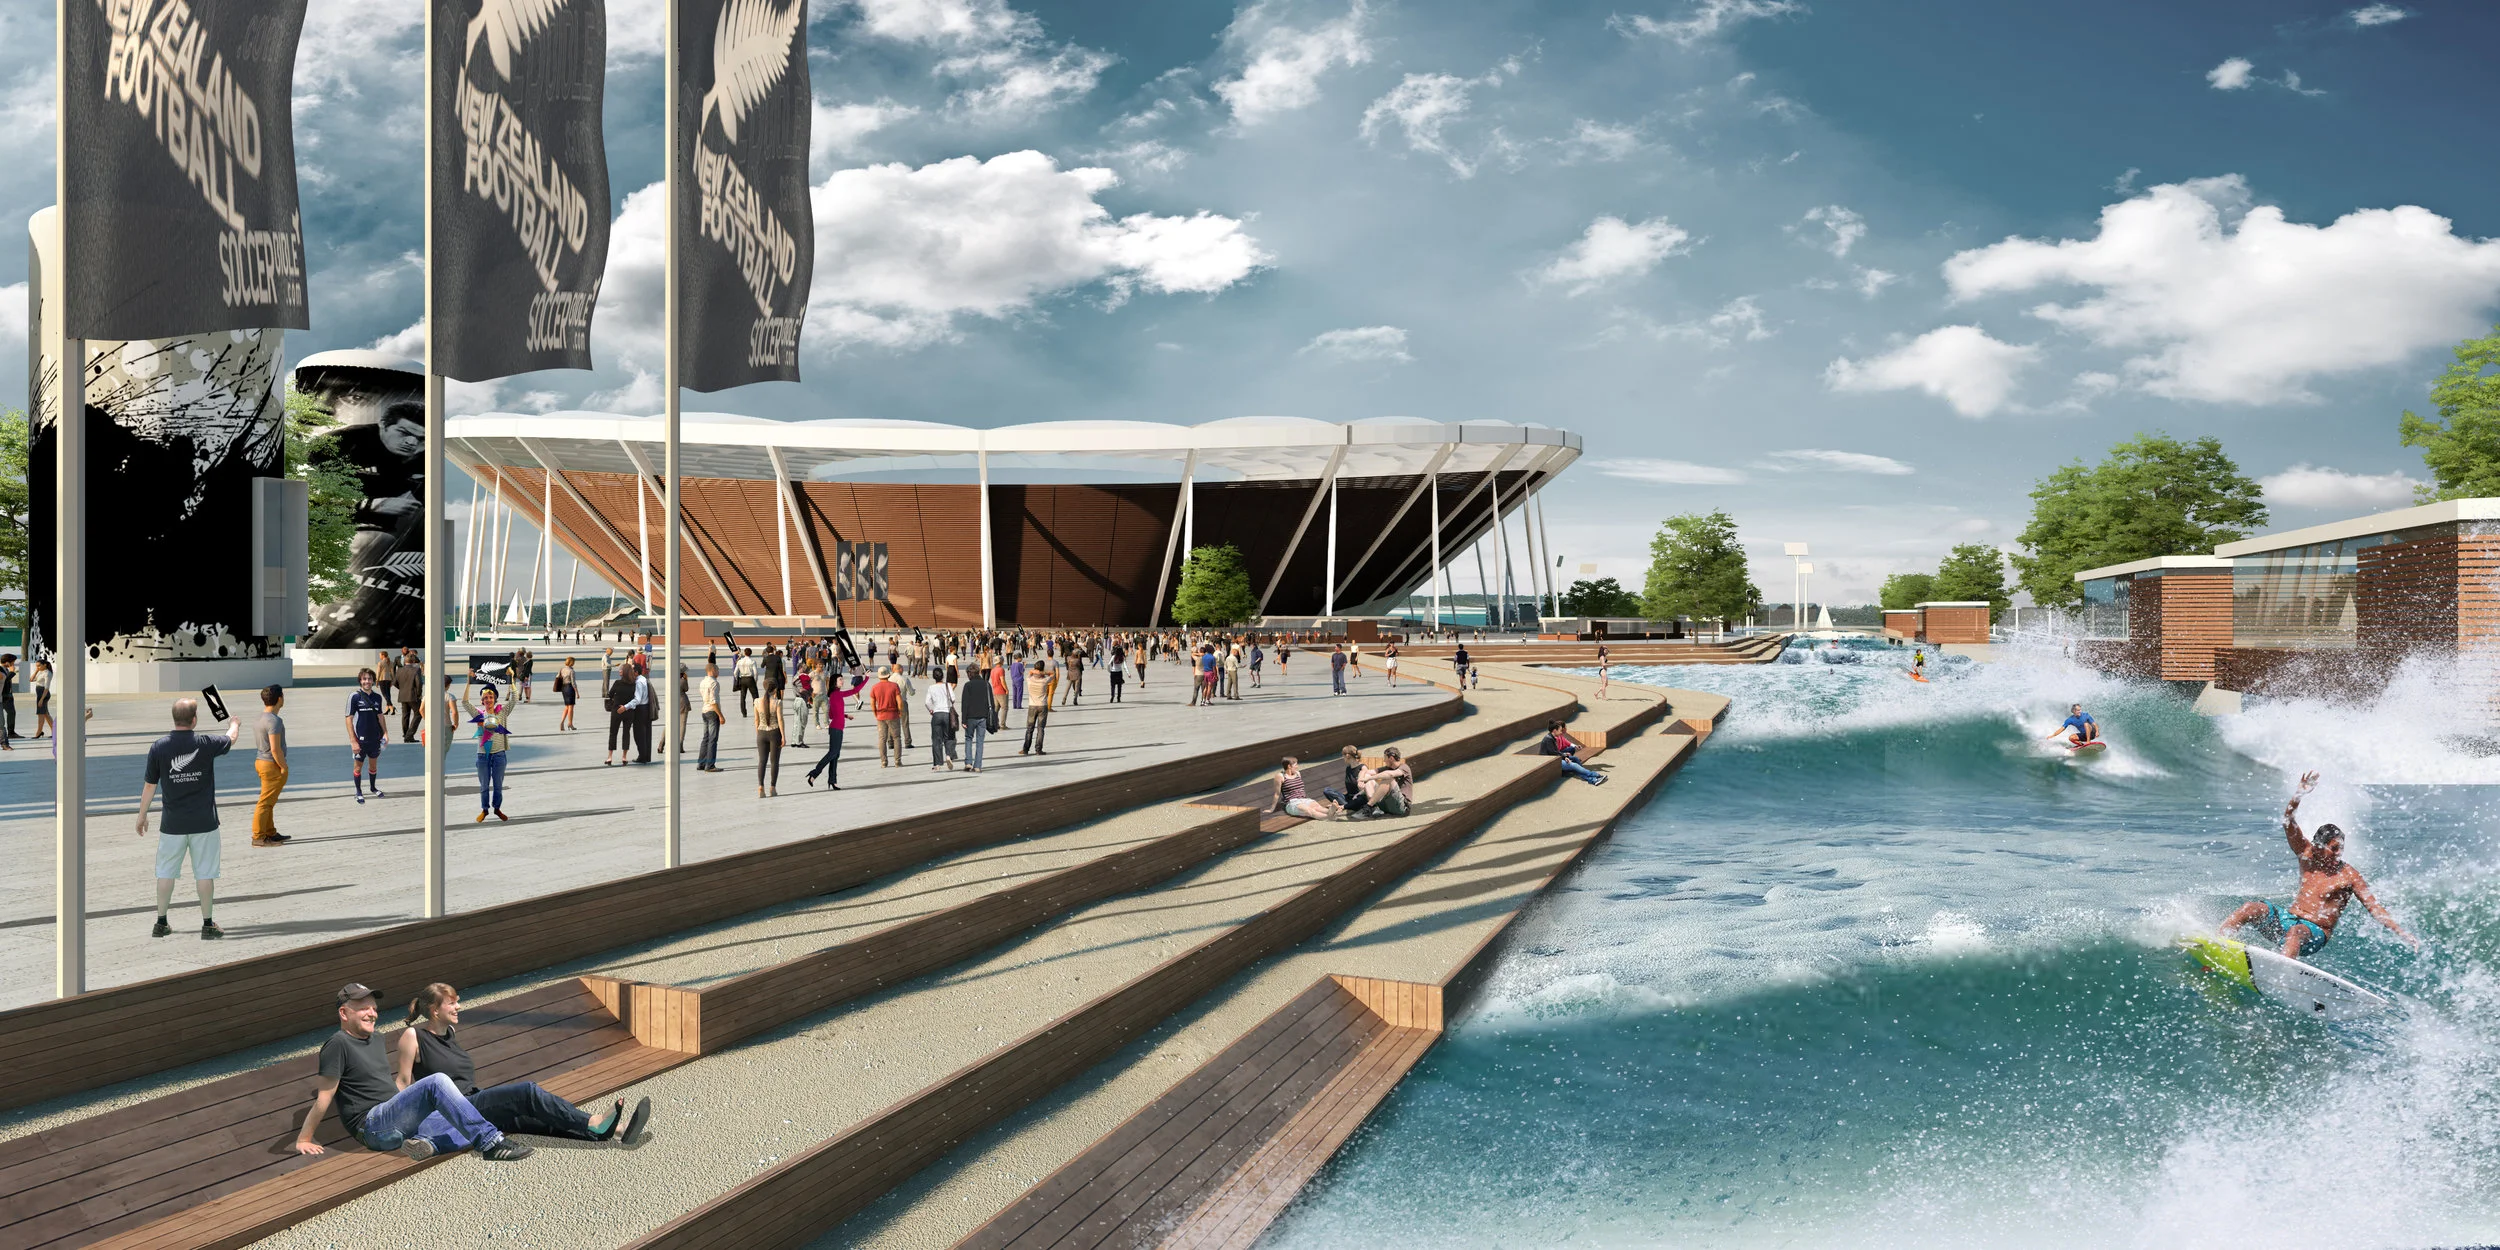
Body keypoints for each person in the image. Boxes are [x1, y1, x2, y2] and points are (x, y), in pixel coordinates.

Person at [293, 983, 532, 1162]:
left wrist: (406, 1106)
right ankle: (491, 1145)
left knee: (471, 1114)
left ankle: (428, 1145)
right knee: (437, 1081)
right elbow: (324, 1097)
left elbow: (389, 1088)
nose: (372, 1014)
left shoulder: (376, 1038)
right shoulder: (337, 1044)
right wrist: (304, 1139)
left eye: (374, 1008)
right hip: (372, 1126)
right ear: (344, 1014)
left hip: (395, 1118)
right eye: (363, 1009)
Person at [397, 983, 651, 1147]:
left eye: (457, 1001)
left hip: (473, 1101)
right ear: (434, 1010)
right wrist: (403, 1126)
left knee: (531, 1117)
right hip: (454, 1109)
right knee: (527, 1092)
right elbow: (403, 1083)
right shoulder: (413, 1037)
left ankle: (616, 1131)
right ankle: (595, 1122)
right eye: (452, 1003)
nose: (458, 1006)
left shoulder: (450, 1033)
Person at [2219, 772, 2419, 962]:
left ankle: (2281, 970)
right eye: (2334, 848)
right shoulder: (2306, 855)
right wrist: (2299, 795)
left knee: (2295, 932)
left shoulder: (2349, 876)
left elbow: (2374, 908)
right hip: (2288, 920)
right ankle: (2219, 944)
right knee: (2250, 908)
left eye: (2341, 848)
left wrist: (2401, 932)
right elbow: (2288, 821)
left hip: (2314, 934)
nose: (2339, 853)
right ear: (2319, 847)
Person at [137, 696, 244, 938]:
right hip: (204, 823)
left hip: (172, 824)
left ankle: (161, 922)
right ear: (194, 720)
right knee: (205, 873)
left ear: (174, 718)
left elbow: (150, 785)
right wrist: (234, 723)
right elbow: (231, 738)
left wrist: (142, 815)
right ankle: (208, 924)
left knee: (166, 871)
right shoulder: (205, 743)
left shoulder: (159, 747)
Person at [460, 675, 518, 821]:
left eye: (491, 697)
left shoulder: (502, 713)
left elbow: (514, 699)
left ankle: (497, 808)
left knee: (498, 785)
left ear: (495, 699)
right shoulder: (479, 715)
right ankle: (484, 810)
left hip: (499, 755)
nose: (488, 700)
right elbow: (465, 702)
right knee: (484, 785)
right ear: (482, 701)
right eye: (485, 698)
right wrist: (468, 682)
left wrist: (511, 679)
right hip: (483, 756)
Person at [803, 670, 871, 790]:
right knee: (833, 753)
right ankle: (814, 773)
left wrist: (845, 716)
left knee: (835, 755)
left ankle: (832, 781)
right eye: (840, 679)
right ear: (835, 682)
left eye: (842, 679)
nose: (842, 681)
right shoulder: (836, 694)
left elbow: (831, 715)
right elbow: (855, 690)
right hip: (836, 729)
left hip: (836, 727)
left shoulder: (834, 695)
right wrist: (866, 678)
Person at [250, 685, 293, 847]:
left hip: (260, 761)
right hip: (271, 764)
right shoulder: (274, 721)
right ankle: (258, 837)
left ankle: (270, 832)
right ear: (279, 699)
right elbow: (275, 749)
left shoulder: (259, 718)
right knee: (265, 802)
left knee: (268, 801)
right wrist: (283, 767)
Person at [346, 669, 388, 803]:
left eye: (369, 679)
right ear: (360, 681)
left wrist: (385, 733)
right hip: (360, 740)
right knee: (358, 767)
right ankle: (358, 791)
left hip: (375, 739)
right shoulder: (354, 697)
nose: (367, 681)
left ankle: (373, 787)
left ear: (373, 681)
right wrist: (353, 741)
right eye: (364, 679)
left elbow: (380, 716)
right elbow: (348, 719)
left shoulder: (377, 697)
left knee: (373, 766)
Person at [1269, 757, 1341, 821]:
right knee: (1310, 811)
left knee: (1318, 807)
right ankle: (1329, 816)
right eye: (1295, 765)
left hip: (1304, 799)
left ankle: (1331, 811)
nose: (1297, 766)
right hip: (1292, 803)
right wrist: (1272, 809)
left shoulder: (1297, 773)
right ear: (1289, 766)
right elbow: (1277, 794)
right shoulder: (1280, 776)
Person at [1544, 720, 1607, 785]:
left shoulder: (1552, 737)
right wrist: (1564, 755)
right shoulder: (1549, 739)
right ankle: (1594, 776)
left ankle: (1593, 779)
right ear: (1555, 730)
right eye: (1560, 730)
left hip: (1556, 759)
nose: (1561, 732)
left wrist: (1565, 756)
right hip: (1553, 762)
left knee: (1575, 765)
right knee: (1574, 766)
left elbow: (1556, 751)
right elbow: (1553, 753)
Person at [1359, 746, 1415, 817]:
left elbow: (1390, 774)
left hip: (1402, 807)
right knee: (1367, 776)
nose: (1384, 760)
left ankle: (1369, 806)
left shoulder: (1404, 767)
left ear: (1391, 758)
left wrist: (1369, 778)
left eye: (1385, 758)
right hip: (1388, 805)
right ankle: (1374, 807)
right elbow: (1367, 772)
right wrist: (1360, 780)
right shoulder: (1388, 768)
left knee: (1388, 778)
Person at [960, 662, 994, 772]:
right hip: (983, 717)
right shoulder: (986, 684)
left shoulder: (968, 685)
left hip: (970, 717)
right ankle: (978, 765)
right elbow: (991, 702)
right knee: (980, 741)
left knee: (968, 738)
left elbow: (965, 703)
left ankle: (968, 762)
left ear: (970, 674)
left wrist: (963, 720)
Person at [754, 676, 785, 797]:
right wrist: (783, 736)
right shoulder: (777, 702)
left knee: (762, 761)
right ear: (775, 689)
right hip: (774, 732)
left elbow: (756, 720)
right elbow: (780, 720)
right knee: (774, 762)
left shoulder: (757, 701)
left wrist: (758, 734)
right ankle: (772, 787)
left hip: (761, 732)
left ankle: (760, 787)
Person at [605, 660, 639, 766]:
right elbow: (636, 698)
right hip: (629, 711)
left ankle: (610, 757)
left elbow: (610, 694)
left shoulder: (617, 683)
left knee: (613, 733)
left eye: (621, 670)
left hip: (617, 710)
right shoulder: (634, 684)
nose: (619, 671)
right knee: (626, 733)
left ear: (624, 672)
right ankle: (624, 757)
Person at [871, 667, 906, 767]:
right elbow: (899, 702)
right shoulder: (894, 686)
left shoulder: (874, 687)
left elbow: (872, 703)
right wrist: (900, 712)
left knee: (882, 739)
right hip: (893, 715)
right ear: (888, 675)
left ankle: (884, 762)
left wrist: (875, 713)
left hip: (881, 716)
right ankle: (897, 761)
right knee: (896, 738)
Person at [927, 665, 960, 770]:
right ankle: (948, 755)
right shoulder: (948, 686)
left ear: (934, 677)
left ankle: (937, 764)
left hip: (936, 714)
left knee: (936, 739)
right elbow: (953, 699)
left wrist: (931, 710)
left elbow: (927, 702)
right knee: (949, 736)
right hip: (947, 713)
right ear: (942, 676)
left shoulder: (931, 688)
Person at [697, 661, 725, 772]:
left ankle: (701, 763)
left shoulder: (702, 682)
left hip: (704, 710)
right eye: (717, 670)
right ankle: (710, 765)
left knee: (706, 738)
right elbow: (713, 701)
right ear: (713, 670)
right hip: (713, 712)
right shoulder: (714, 683)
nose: (718, 672)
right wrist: (720, 715)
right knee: (713, 739)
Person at [1021, 661, 1052, 755]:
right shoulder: (1045, 680)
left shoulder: (1029, 680)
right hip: (1042, 705)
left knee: (1029, 728)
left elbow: (1029, 673)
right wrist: (1043, 672)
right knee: (1041, 728)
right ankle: (1038, 749)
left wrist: (1034, 671)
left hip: (1032, 706)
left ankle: (1025, 749)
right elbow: (1052, 674)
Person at [396, 650, 426, 742]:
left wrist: (402, 689)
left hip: (403, 695)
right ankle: (409, 735)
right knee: (418, 714)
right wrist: (418, 694)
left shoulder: (399, 670)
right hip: (413, 696)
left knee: (405, 715)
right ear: (413, 661)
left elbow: (395, 682)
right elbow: (419, 683)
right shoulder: (416, 670)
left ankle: (406, 734)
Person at [554, 657, 579, 731]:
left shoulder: (562, 669)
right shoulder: (571, 671)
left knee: (567, 707)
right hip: (570, 688)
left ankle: (562, 722)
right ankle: (570, 723)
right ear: (571, 662)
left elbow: (557, 677)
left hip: (564, 688)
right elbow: (573, 683)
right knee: (571, 707)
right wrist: (577, 692)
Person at [30, 658, 51, 738]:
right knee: (45, 714)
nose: (37, 667)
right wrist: (36, 671)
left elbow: (47, 688)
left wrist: (41, 699)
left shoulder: (47, 673)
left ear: (44, 665)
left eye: (39, 666)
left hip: (43, 694)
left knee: (41, 714)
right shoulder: (40, 672)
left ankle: (39, 732)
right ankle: (55, 731)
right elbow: (31, 679)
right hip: (40, 694)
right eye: (36, 666)